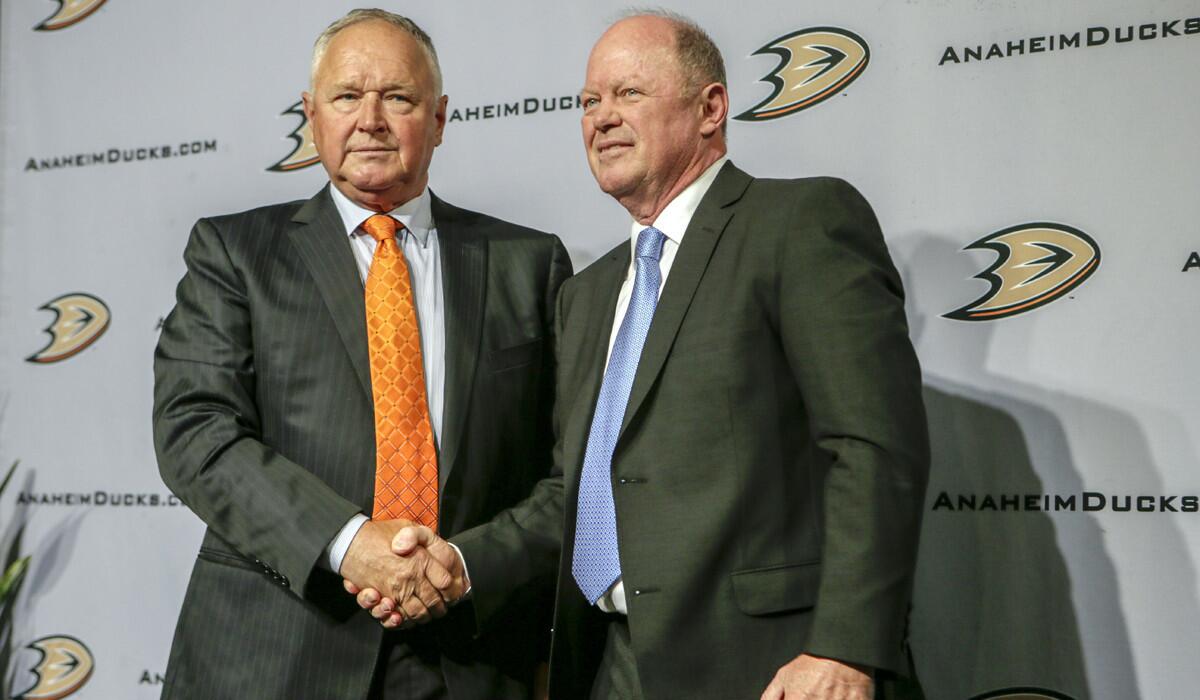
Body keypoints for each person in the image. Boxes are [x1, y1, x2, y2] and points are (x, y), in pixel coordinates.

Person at [355, 10, 929, 700]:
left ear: (710, 107)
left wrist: (843, 650)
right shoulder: (588, 295)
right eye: (589, 102)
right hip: (607, 662)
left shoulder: (799, 224)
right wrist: (461, 561)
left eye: (629, 94)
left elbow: (872, 447)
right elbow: (574, 489)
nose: (601, 118)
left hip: (774, 667)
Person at [152, 9, 570, 699]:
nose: (370, 118)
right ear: (312, 117)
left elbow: (570, 469)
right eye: (348, 96)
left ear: (438, 120)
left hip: (467, 656)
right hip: (277, 652)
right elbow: (196, 432)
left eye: (398, 98)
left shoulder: (529, 264)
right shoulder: (236, 253)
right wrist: (350, 544)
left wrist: (464, 565)